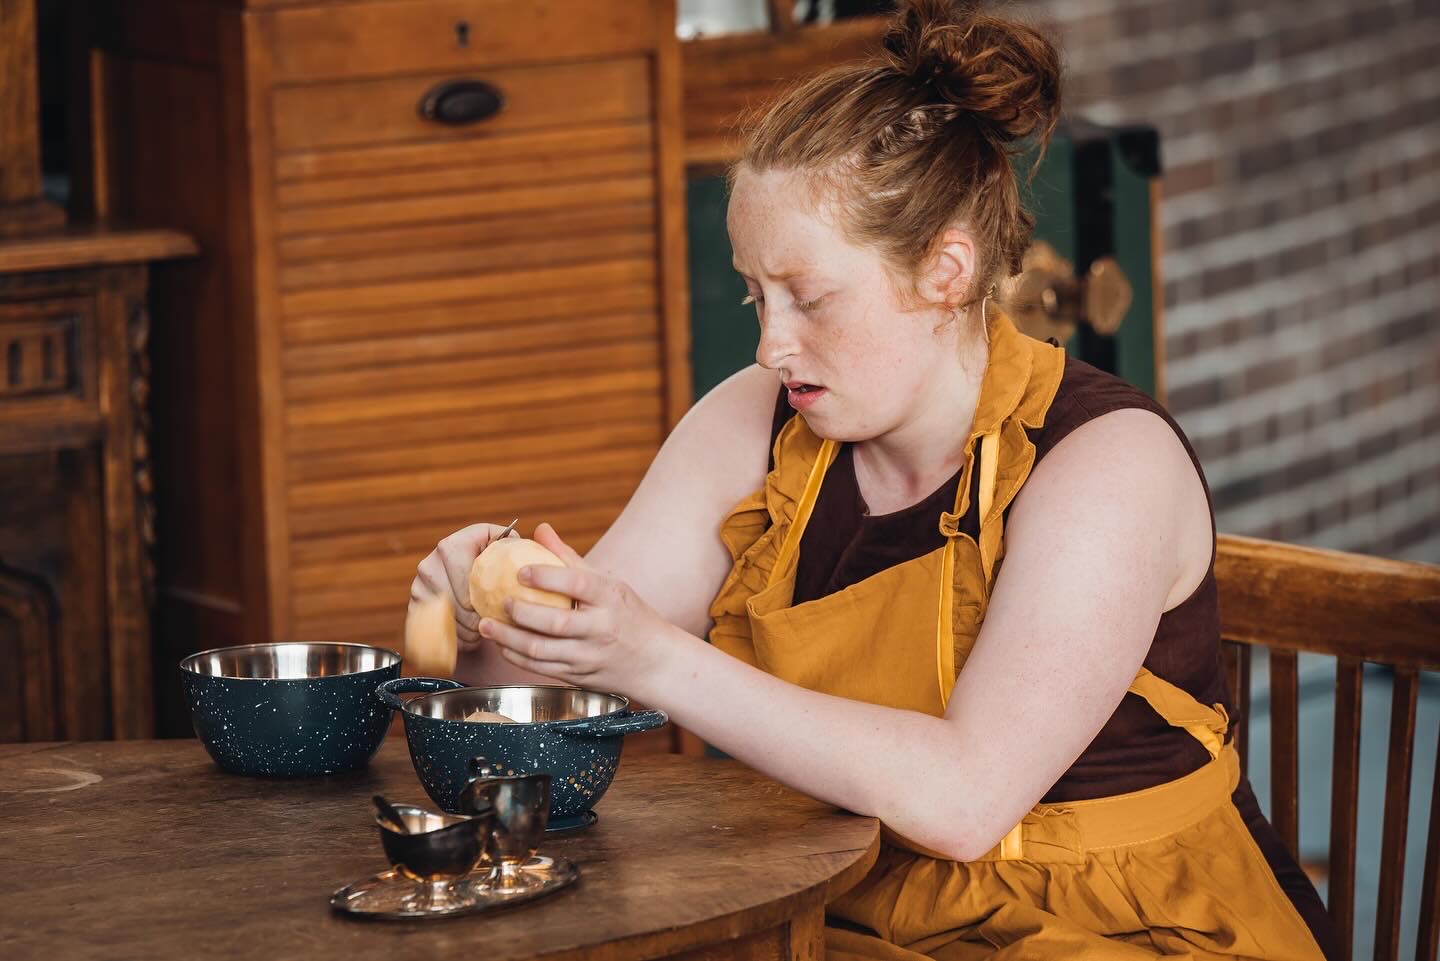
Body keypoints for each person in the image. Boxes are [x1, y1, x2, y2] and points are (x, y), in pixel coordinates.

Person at [409, 1, 1337, 957]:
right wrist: (472, 628)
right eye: (754, 295)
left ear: (946, 270)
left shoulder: (1103, 461)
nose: (771, 344)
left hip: (1119, 926)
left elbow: (967, 799)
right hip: (845, 896)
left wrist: (648, 656)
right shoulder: (757, 420)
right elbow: (547, 694)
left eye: (810, 299)